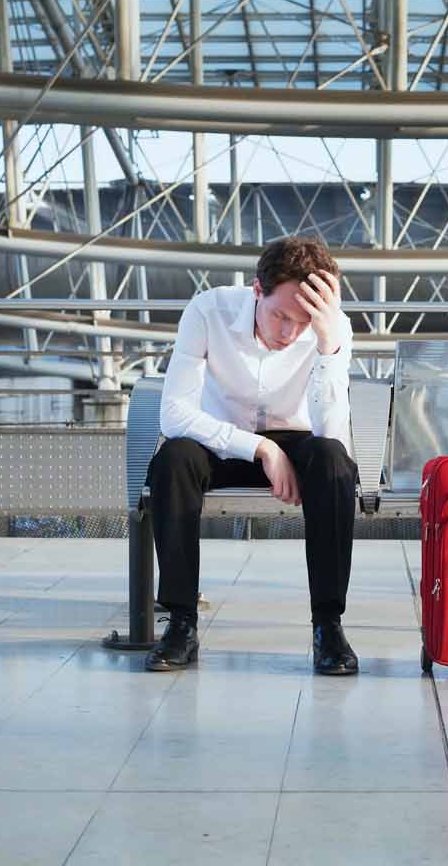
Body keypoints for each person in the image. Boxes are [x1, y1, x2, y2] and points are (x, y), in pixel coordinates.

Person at [145, 236, 359, 675]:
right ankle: (181, 623)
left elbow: (331, 431)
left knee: (333, 462)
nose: (288, 333)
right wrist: (261, 448)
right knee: (174, 460)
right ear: (256, 290)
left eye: (301, 322)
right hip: (221, 440)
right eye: (280, 316)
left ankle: (328, 627)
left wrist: (326, 345)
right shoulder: (209, 311)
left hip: (299, 441)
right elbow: (174, 414)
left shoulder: (329, 327)